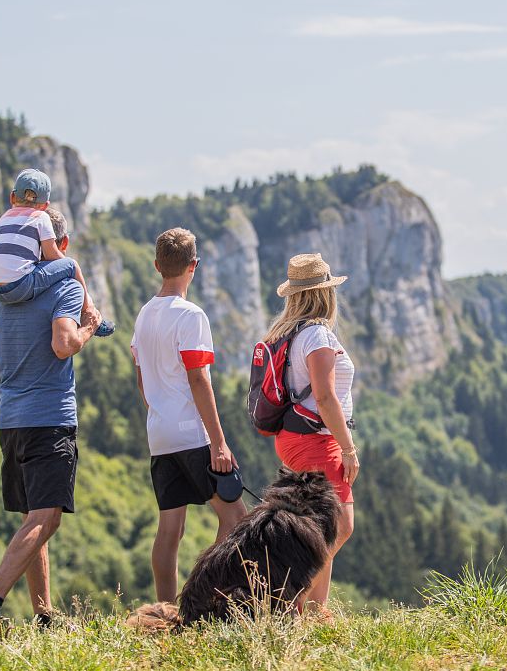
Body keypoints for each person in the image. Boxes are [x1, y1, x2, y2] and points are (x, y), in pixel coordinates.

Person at [0, 207, 102, 629]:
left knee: (33, 517)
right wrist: (90, 327)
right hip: (50, 417)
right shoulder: (65, 287)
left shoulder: (4, 292)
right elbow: (64, 344)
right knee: (47, 517)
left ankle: (44, 616)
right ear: (62, 247)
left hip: (11, 421)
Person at [131, 227, 248, 603]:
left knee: (170, 530)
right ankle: (202, 599)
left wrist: (159, 413)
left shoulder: (144, 315)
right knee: (236, 519)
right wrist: (219, 441)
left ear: (156, 266)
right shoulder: (191, 315)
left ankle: (165, 608)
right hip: (192, 434)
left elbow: (142, 379)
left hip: (160, 433)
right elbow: (198, 378)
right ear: (193, 266)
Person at [264, 252, 360, 611]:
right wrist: (348, 448)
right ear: (325, 294)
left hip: (295, 437)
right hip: (317, 439)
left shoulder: (288, 333)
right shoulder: (318, 335)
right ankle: (296, 600)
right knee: (339, 524)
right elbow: (324, 395)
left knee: (323, 525)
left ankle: (314, 609)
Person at [0, 168, 114, 336]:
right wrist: (63, 269)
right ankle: (90, 313)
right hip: (18, 286)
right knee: (71, 265)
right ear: (45, 205)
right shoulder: (41, 217)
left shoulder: (3, 218)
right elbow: (52, 256)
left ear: (12, 197)